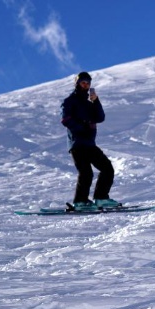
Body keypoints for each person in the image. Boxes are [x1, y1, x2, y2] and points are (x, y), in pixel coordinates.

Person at [61, 71, 120, 209]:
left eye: (88, 83)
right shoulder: (70, 101)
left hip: (89, 143)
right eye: (83, 82)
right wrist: (83, 126)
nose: (86, 85)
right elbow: (66, 119)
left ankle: (101, 198)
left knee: (107, 168)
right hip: (77, 143)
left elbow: (100, 117)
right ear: (77, 83)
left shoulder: (89, 103)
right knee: (86, 173)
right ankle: (80, 202)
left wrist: (96, 101)